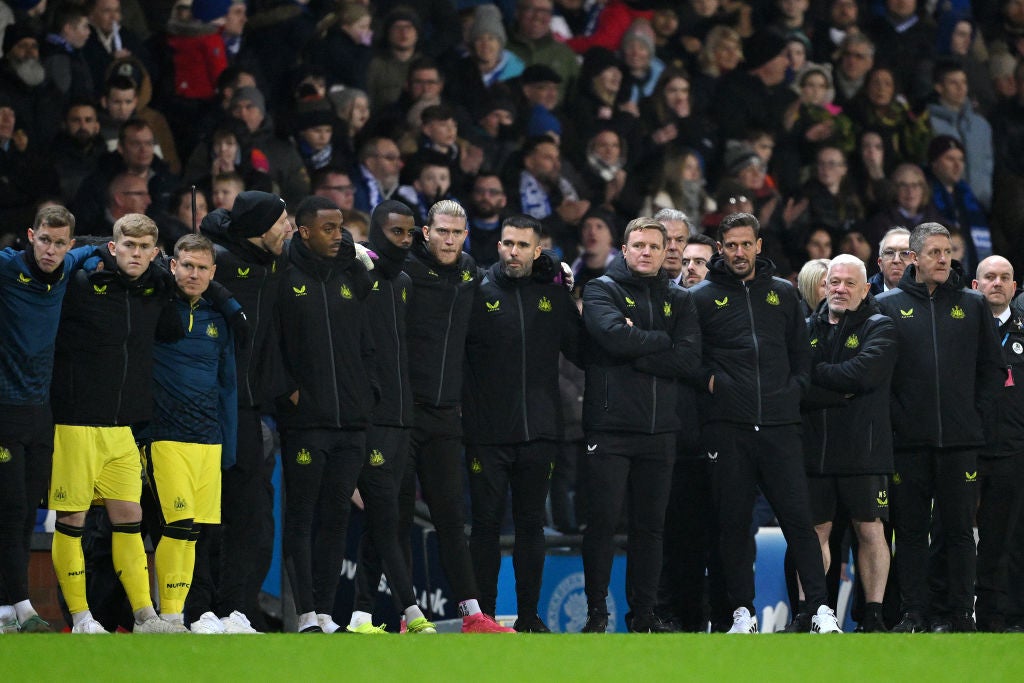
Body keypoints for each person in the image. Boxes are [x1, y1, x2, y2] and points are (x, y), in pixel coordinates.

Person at [688, 211, 842, 634]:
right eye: (731, 245)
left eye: (745, 244)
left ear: (759, 245)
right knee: (734, 525)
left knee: (800, 520)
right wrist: (711, 382)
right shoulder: (700, 298)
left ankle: (821, 609)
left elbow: (801, 355)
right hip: (728, 427)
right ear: (721, 249)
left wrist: (793, 390)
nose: (739, 252)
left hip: (779, 426)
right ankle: (743, 612)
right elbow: (690, 358)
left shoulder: (784, 294)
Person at [48, 213, 184, 634]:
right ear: (113, 246)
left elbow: (174, 330)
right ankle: (81, 617)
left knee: (130, 518)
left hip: (123, 427)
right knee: (72, 521)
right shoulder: (82, 287)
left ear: (155, 252)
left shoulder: (151, 292)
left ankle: (145, 615)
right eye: (128, 245)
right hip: (76, 422)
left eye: (145, 248)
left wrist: (169, 284)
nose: (136, 253)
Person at [876, 222, 1003, 632]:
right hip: (908, 444)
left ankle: (961, 614)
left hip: (961, 442)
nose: (944, 259)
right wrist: (900, 421)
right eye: (934, 252)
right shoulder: (888, 306)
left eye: (947, 251)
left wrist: (973, 418)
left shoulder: (973, 304)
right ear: (913, 258)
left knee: (960, 533)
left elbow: (992, 371)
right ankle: (914, 613)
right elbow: (881, 377)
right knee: (910, 533)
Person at [580, 217, 702, 633]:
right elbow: (612, 337)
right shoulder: (600, 289)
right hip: (610, 428)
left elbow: (688, 359)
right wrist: (662, 341)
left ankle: (644, 615)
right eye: (639, 245)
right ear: (625, 249)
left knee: (651, 529)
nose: (646, 252)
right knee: (601, 524)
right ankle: (597, 613)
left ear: (666, 249)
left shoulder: (679, 299)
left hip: (661, 430)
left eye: (654, 245)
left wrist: (637, 344)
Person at [463, 214, 582, 632]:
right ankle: (486, 618)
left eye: (522, 245)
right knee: (486, 526)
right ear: (498, 245)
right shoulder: (476, 290)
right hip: (486, 433)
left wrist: (573, 295)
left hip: (541, 431)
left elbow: (581, 349)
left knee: (532, 525)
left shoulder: (552, 293)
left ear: (538, 250)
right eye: (507, 243)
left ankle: (530, 616)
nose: (513, 251)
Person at [401, 199, 515, 633]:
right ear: (425, 232)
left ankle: (473, 615)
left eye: (457, 233)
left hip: (446, 414)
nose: (449, 240)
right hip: (402, 412)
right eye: (442, 231)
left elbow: (501, 291)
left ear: (466, 235)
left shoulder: (470, 273)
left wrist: (552, 274)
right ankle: (406, 612)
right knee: (395, 516)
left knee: (450, 515)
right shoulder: (403, 270)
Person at [275, 196, 374, 633]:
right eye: (329, 228)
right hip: (306, 422)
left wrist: (366, 396)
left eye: (341, 228)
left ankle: (327, 613)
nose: (339, 235)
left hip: (351, 421)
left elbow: (371, 338)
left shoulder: (353, 273)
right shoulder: (283, 276)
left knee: (336, 517)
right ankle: (304, 613)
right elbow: (270, 342)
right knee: (301, 516)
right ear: (304, 231)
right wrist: (289, 394)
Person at [195, 190, 289, 632]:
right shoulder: (217, 264)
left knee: (249, 515)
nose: (288, 228)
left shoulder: (274, 264)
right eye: (281, 221)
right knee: (197, 514)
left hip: (250, 410)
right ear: (258, 228)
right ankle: (196, 610)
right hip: (203, 408)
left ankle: (237, 609)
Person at [0, 206, 96, 633]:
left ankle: (6, 608)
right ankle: (21, 604)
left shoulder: (69, 264)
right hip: (3, 409)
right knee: (11, 506)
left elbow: (102, 247)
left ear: (69, 245)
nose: (51, 250)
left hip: (41, 413)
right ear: (29, 236)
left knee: (24, 512)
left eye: (60, 243)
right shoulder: (6, 269)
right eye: (44, 240)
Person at [346, 201, 437, 635]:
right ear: (378, 234)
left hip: (403, 420)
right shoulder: (357, 278)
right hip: (373, 420)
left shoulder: (403, 281)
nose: (404, 240)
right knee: (384, 519)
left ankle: (362, 614)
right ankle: (413, 611)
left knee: (390, 520)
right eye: (395, 233)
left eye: (409, 233)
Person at [141, 233, 238, 632]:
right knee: (177, 524)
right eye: (187, 266)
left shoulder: (219, 320)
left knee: (196, 531)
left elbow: (227, 384)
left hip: (208, 439)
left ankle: (176, 616)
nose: (194, 274)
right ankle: (171, 613)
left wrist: (227, 445)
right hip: (165, 435)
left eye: (202, 268)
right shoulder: (155, 308)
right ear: (173, 265)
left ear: (212, 273)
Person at [799, 254, 898, 633]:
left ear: (865, 288)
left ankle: (872, 614)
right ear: (824, 285)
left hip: (865, 448)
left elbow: (863, 374)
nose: (839, 289)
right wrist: (836, 388)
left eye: (848, 283)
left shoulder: (881, 326)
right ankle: (811, 611)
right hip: (815, 447)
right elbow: (796, 383)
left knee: (870, 529)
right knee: (815, 531)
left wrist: (818, 377)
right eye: (833, 282)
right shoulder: (806, 325)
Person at [972, 255, 1024, 632]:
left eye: (1005, 277)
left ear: (1014, 288)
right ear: (975, 286)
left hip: (1012, 449)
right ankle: (952, 612)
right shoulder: (960, 331)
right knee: (953, 534)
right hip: (965, 448)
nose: (997, 283)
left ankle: (1000, 617)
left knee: (1006, 538)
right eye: (990, 277)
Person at [869, 227, 911, 294]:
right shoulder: (863, 296)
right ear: (880, 263)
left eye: (905, 253)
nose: (896, 260)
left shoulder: (930, 293)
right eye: (889, 253)